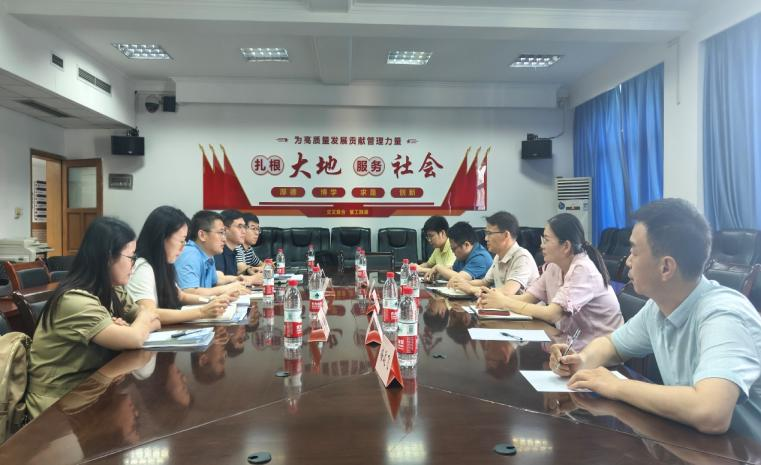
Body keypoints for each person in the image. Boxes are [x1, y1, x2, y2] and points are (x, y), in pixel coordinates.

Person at [551, 198, 761, 435]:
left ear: (666, 267)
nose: (627, 261)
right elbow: (612, 345)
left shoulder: (724, 315)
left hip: (744, 450)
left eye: (634, 252)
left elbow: (710, 412)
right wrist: (581, 361)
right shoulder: (658, 308)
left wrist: (618, 386)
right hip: (695, 444)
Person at [27, 217, 161, 417]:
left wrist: (135, 325)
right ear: (108, 258)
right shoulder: (75, 300)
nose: (133, 265)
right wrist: (139, 321)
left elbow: (154, 321)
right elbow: (137, 335)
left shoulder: (113, 290)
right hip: (57, 406)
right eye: (131, 257)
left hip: (91, 391)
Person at [478, 213, 622, 350]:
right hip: (569, 345)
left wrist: (504, 302)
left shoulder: (583, 269)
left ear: (566, 246)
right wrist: (493, 299)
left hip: (600, 353)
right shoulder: (554, 266)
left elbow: (552, 314)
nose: (541, 245)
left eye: (546, 240)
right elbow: (527, 299)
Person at [127, 205, 233, 324]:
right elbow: (149, 313)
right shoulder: (143, 268)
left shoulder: (164, 264)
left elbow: (181, 296)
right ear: (162, 238)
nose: (183, 248)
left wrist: (212, 300)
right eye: (181, 241)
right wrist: (201, 312)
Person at [449, 211, 539, 297]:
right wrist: (462, 283)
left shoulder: (522, 257)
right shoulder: (498, 256)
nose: (486, 238)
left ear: (506, 235)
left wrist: (471, 289)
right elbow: (484, 282)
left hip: (522, 307)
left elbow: (507, 292)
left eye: (489, 233)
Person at [174, 210, 251, 296]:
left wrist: (235, 279)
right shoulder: (189, 254)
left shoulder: (207, 254)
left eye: (224, 233)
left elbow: (215, 280)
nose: (224, 239)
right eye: (221, 233)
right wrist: (229, 288)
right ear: (202, 235)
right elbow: (189, 292)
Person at [426, 221, 492, 281]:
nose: (453, 252)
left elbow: (459, 279)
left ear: (466, 245)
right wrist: (438, 274)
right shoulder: (463, 256)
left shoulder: (480, 258)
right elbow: (453, 271)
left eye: (454, 249)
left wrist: (439, 267)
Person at [214, 209, 263, 286]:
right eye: (240, 227)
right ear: (225, 230)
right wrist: (250, 279)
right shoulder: (218, 251)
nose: (244, 231)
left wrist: (249, 271)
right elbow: (218, 280)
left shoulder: (233, 251)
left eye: (244, 227)